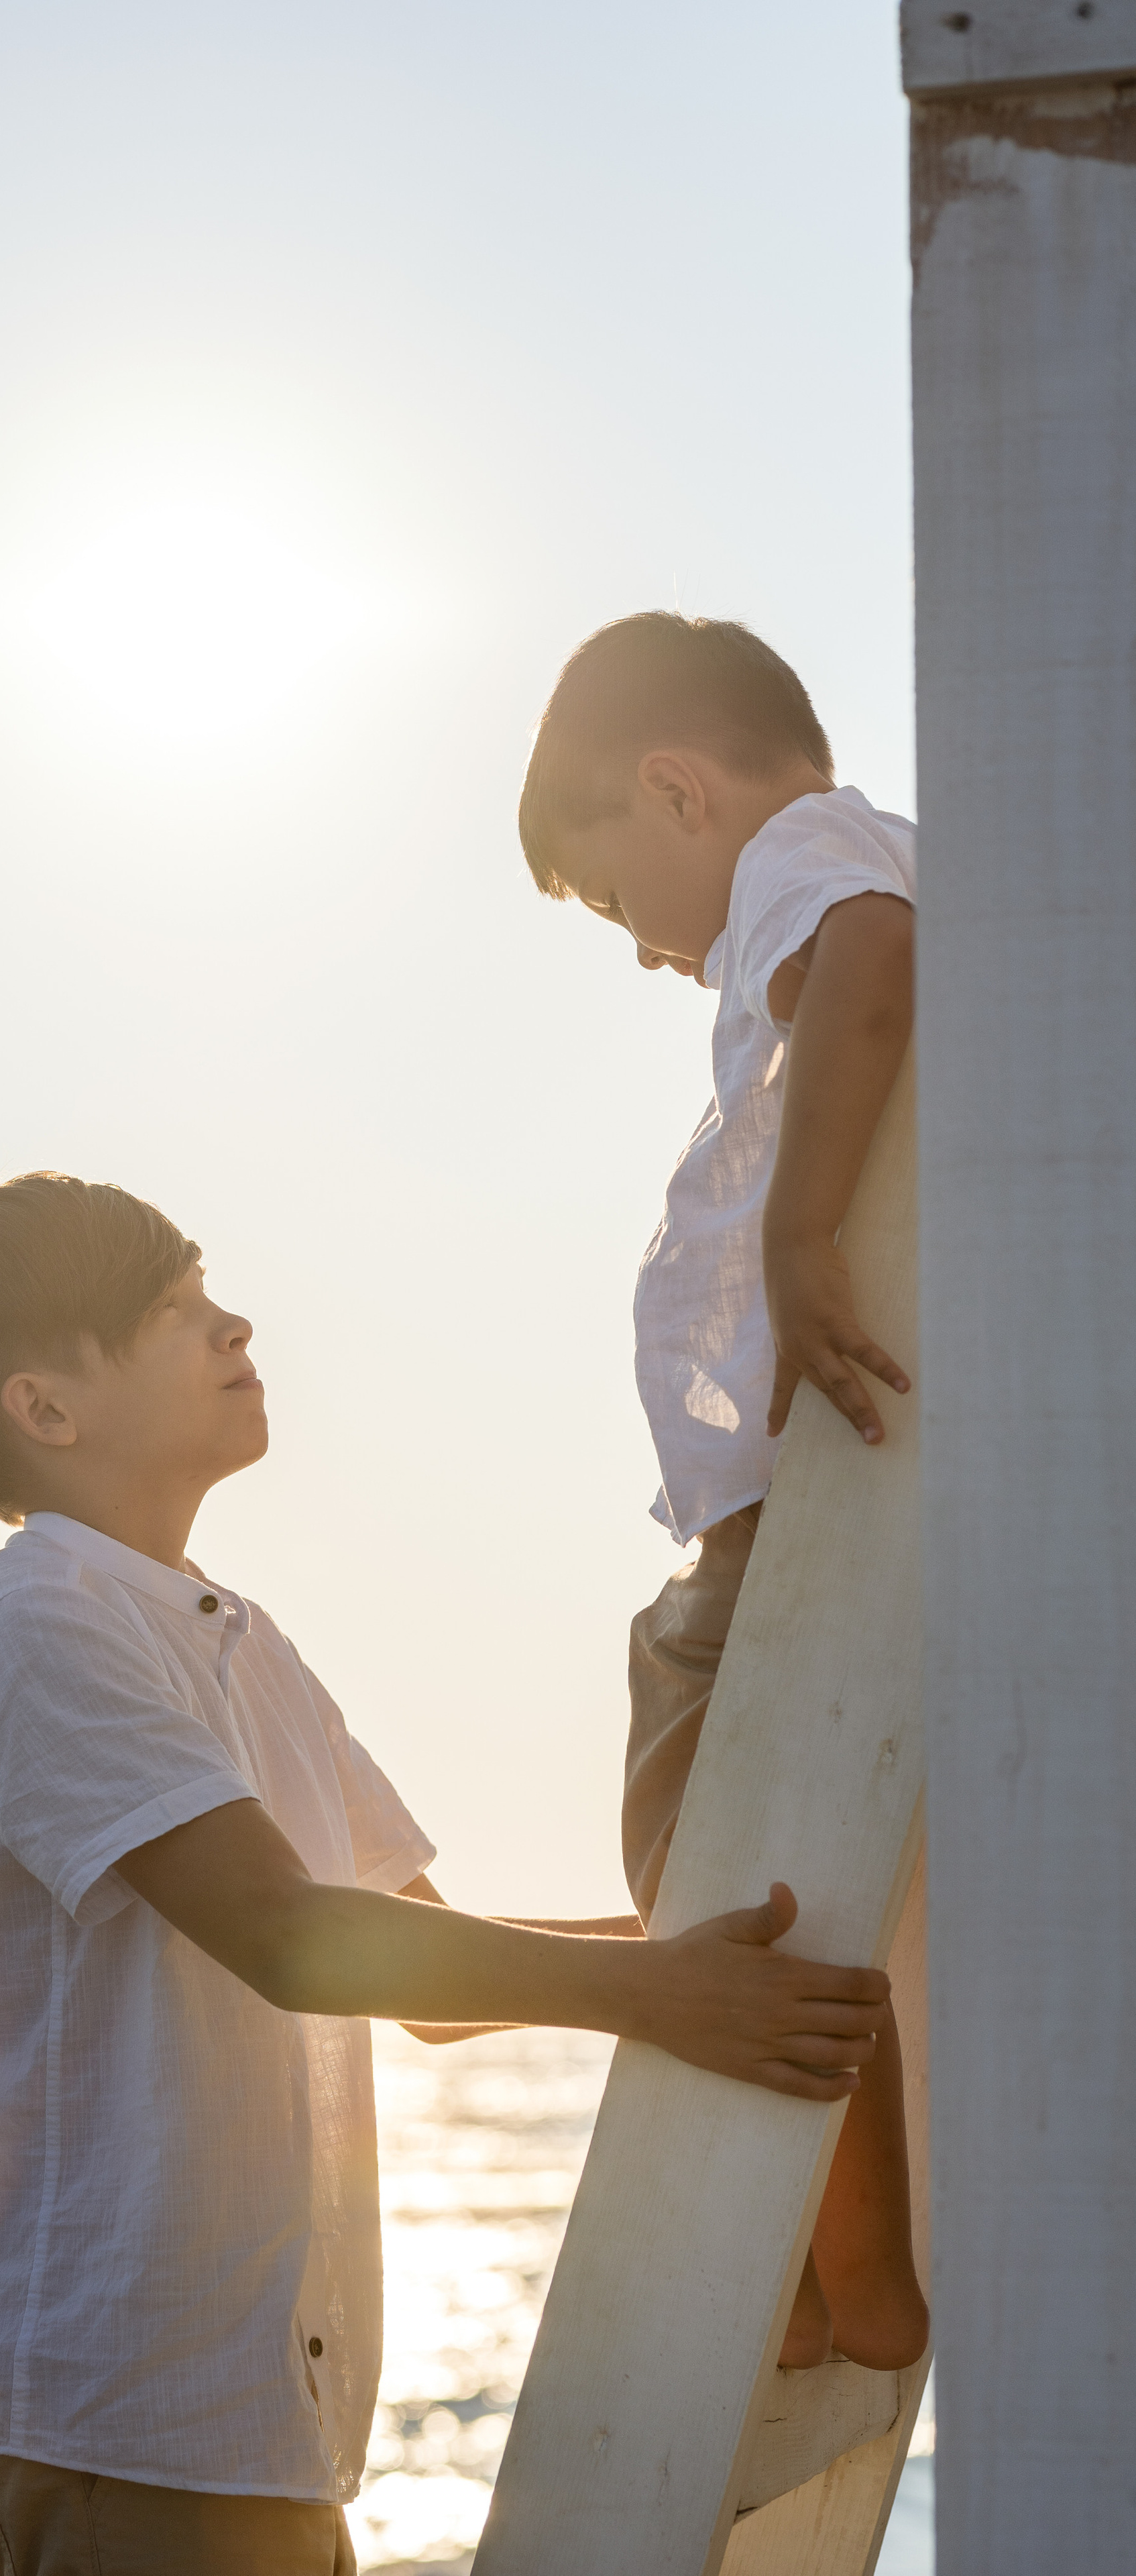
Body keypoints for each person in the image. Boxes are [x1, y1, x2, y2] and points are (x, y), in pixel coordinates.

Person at [0, 1171, 893, 2573]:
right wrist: (658, 1995)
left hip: (242, 2425)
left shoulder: (236, 1639)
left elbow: (419, 1965)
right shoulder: (39, 1618)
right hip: (112, 2427)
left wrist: (704, 1948)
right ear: (45, 1409)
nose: (233, 1322)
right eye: (172, 1309)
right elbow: (291, 1939)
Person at [517, 610, 929, 2374]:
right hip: (800, 1507)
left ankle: (840, 2282)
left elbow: (872, 954)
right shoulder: (832, 860)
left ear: (676, 790)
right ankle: (847, 2276)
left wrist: (796, 1221)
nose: (633, 956)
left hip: (784, 1519)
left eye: (614, 902)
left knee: (712, 1887)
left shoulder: (806, 861)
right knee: (758, 1884)